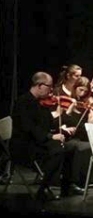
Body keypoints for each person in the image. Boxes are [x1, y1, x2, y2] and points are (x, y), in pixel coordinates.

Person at [10, 72, 79, 201]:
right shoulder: (23, 102)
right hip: (24, 145)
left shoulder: (42, 103)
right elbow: (28, 128)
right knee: (58, 150)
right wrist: (51, 137)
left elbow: (47, 125)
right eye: (49, 86)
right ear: (40, 85)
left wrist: (62, 129)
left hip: (38, 142)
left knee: (71, 148)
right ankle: (42, 189)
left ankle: (66, 187)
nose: (51, 90)